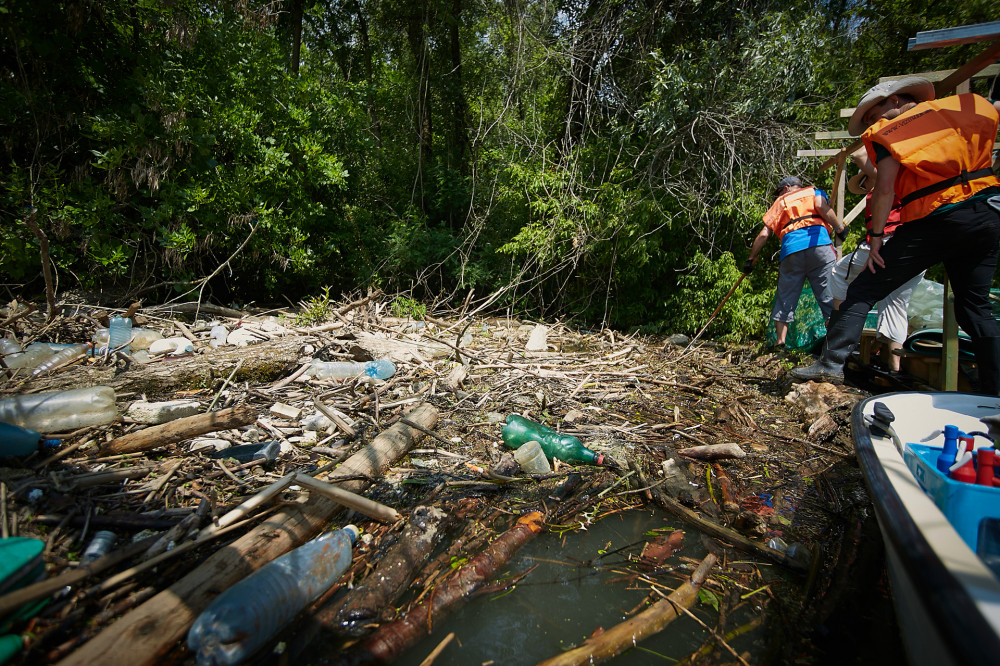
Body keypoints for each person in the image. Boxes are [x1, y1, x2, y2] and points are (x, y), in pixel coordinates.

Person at [791, 76, 1000, 393]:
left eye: (874, 115)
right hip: (987, 215)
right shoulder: (968, 105)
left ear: (894, 100)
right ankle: (994, 391)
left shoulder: (889, 133)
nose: (874, 123)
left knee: (863, 288)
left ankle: (831, 364)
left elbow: (884, 188)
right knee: (974, 309)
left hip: (937, 219)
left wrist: (875, 238)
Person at [828, 148, 924, 373]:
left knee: (839, 273)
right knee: (894, 304)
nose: (864, 187)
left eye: (864, 180)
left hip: (889, 245)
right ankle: (895, 369)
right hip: (915, 249)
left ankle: (838, 331)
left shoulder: (891, 178)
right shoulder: (905, 182)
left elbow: (858, 155)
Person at [744, 175, 847, 348]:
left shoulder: (781, 202)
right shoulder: (813, 192)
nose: (778, 195)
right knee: (828, 292)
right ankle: (835, 341)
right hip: (819, 246)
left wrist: (750, 258)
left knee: (786, 295)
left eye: (778, 192)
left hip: (792, 251)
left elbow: (764, 234)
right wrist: (840, 228)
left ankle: (780, 341)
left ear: (786, 188)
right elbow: (823, 207)